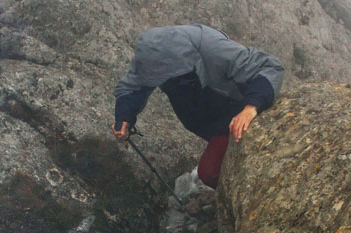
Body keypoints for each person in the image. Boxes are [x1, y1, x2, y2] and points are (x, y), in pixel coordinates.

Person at [112, 24, 284, 188]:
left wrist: (251, 107)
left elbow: (269, 67)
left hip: (241, 115)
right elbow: (132, 87)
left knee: (211, 171)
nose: (171, 81)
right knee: (212, 174)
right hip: (214, 125)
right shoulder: (150, 57)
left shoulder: (211, 47)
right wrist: (124, 117)